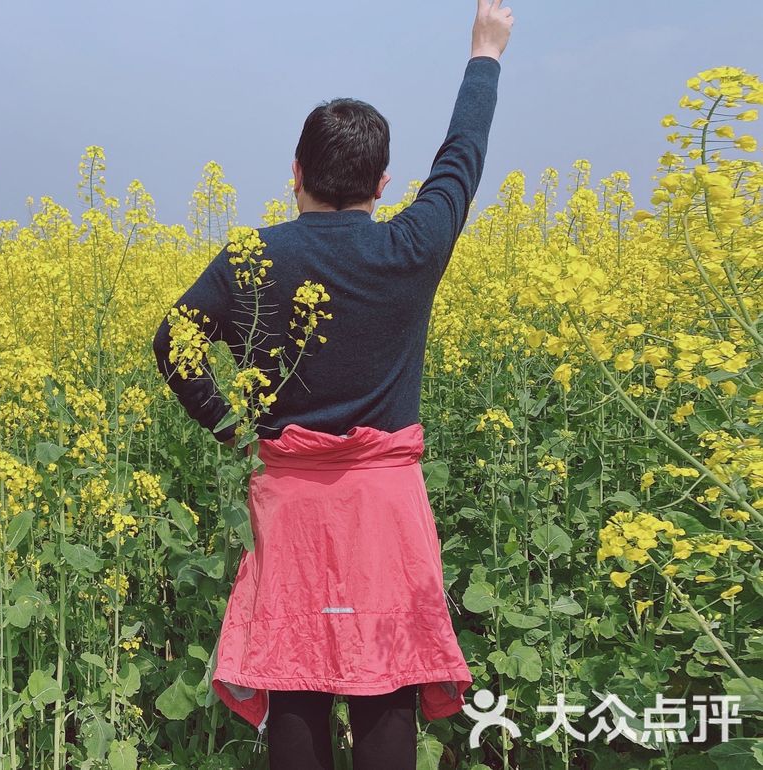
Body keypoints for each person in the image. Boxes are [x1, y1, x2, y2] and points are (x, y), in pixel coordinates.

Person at [150, 2, 513, 768]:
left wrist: (229, 430)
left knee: (298, 682)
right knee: (388, 685)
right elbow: (461, 159)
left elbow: (172, 341)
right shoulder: (410, 246)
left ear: (295, 170)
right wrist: (485, 52)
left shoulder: (253, 258)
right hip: (385, 509)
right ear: (382, 183)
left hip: (291, 510)